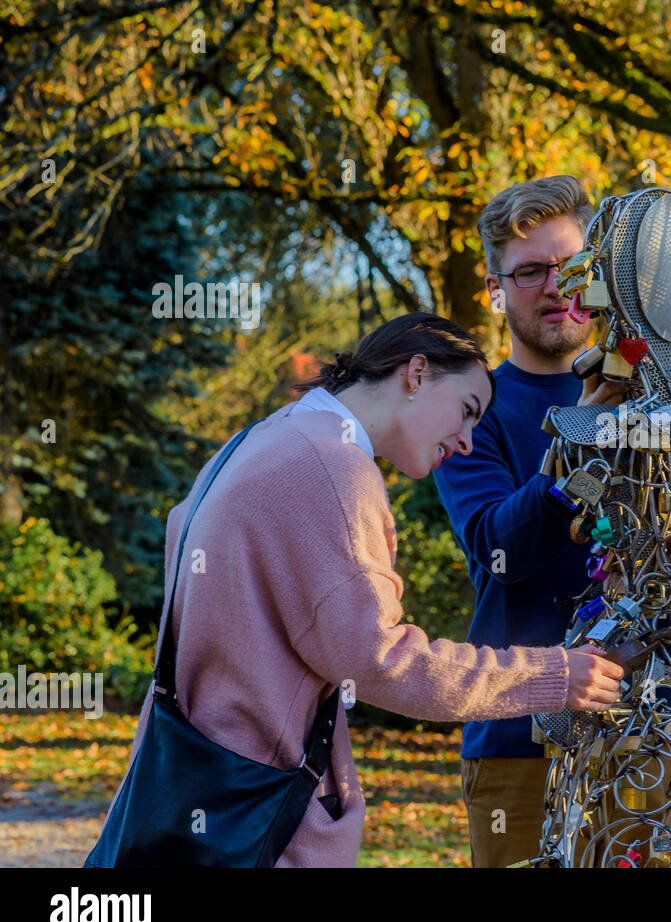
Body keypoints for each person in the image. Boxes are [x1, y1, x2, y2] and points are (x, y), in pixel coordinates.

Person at [105, 312, 623, 867]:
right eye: (467, 411)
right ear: (416, 372)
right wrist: (555, 675)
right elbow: (383, 662)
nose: (469, 442)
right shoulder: (335, 468)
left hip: (186, 784)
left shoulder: (256, 441)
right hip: (261, 812)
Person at [433, 175, 632, 866]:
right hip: (516, 740)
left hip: (655, 730)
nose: (555, 287)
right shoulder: (467, 410)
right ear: (495, 290)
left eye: (571, 268)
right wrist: (575, 439)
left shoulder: (657, 396)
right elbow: (496, 548)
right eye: (530, 272)